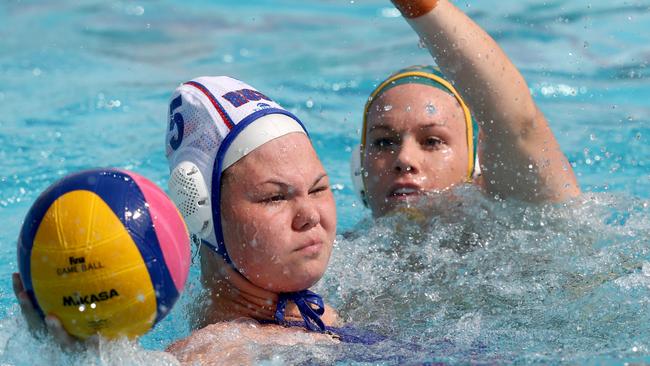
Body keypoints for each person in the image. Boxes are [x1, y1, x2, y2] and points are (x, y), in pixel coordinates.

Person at [163, 76, 383, 363]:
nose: (311, 216)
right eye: (275, 197)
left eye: (317, 189)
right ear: (201, 211)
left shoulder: (311, 317)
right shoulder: (215, 355)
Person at [352, 0, 581, 217]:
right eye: (383, 142)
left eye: (432, 141)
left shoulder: (513, 226)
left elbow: (517, 125)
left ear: (476, 165)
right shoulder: (336, 251)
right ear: (359, 169)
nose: (404, 159)